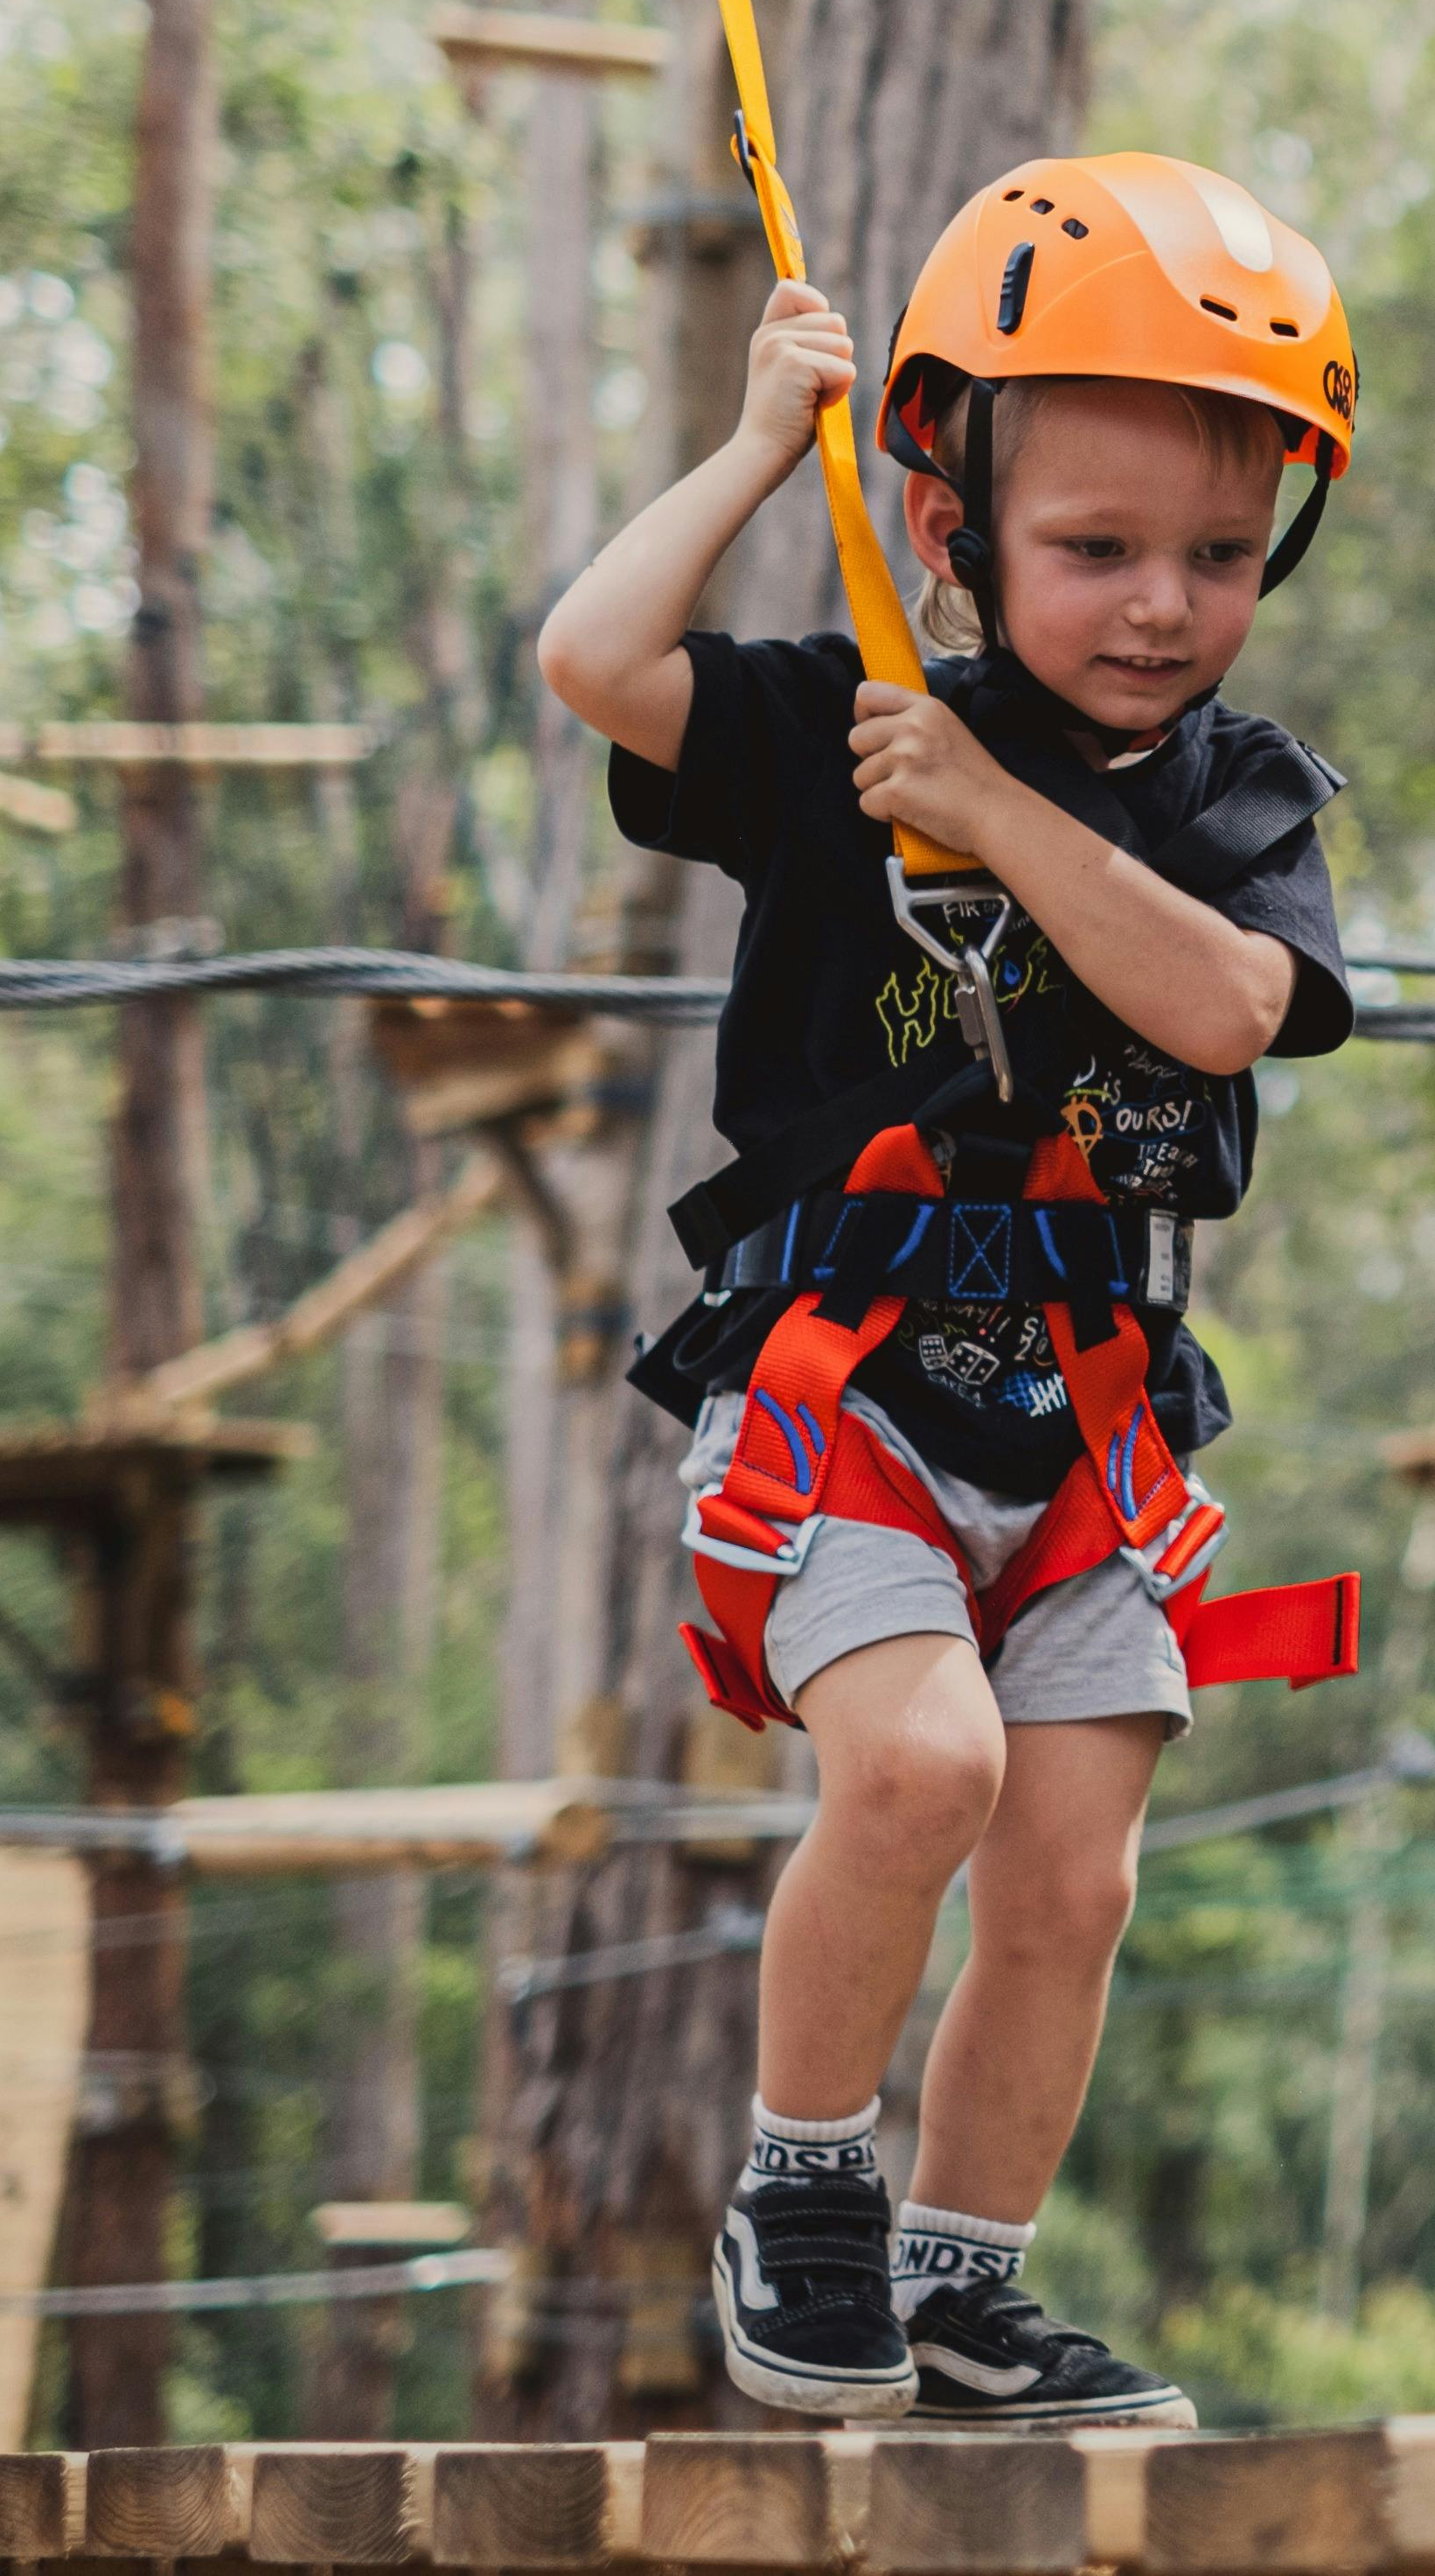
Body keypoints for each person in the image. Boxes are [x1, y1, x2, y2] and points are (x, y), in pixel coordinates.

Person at [540, 151, 1366, 2425]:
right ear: (950, 516)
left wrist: (999, 812)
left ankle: (959, 2278)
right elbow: (592, 660)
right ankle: (801, 2175)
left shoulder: (1232, 800)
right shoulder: (834, 722)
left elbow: (1226, 1010)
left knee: (1073, 1880)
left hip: (1087, 1418)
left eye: (1214, 554)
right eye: (1094, 547)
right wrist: (742, 440)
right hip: (853, 1389)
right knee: (917, 1762)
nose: (1157, 604)